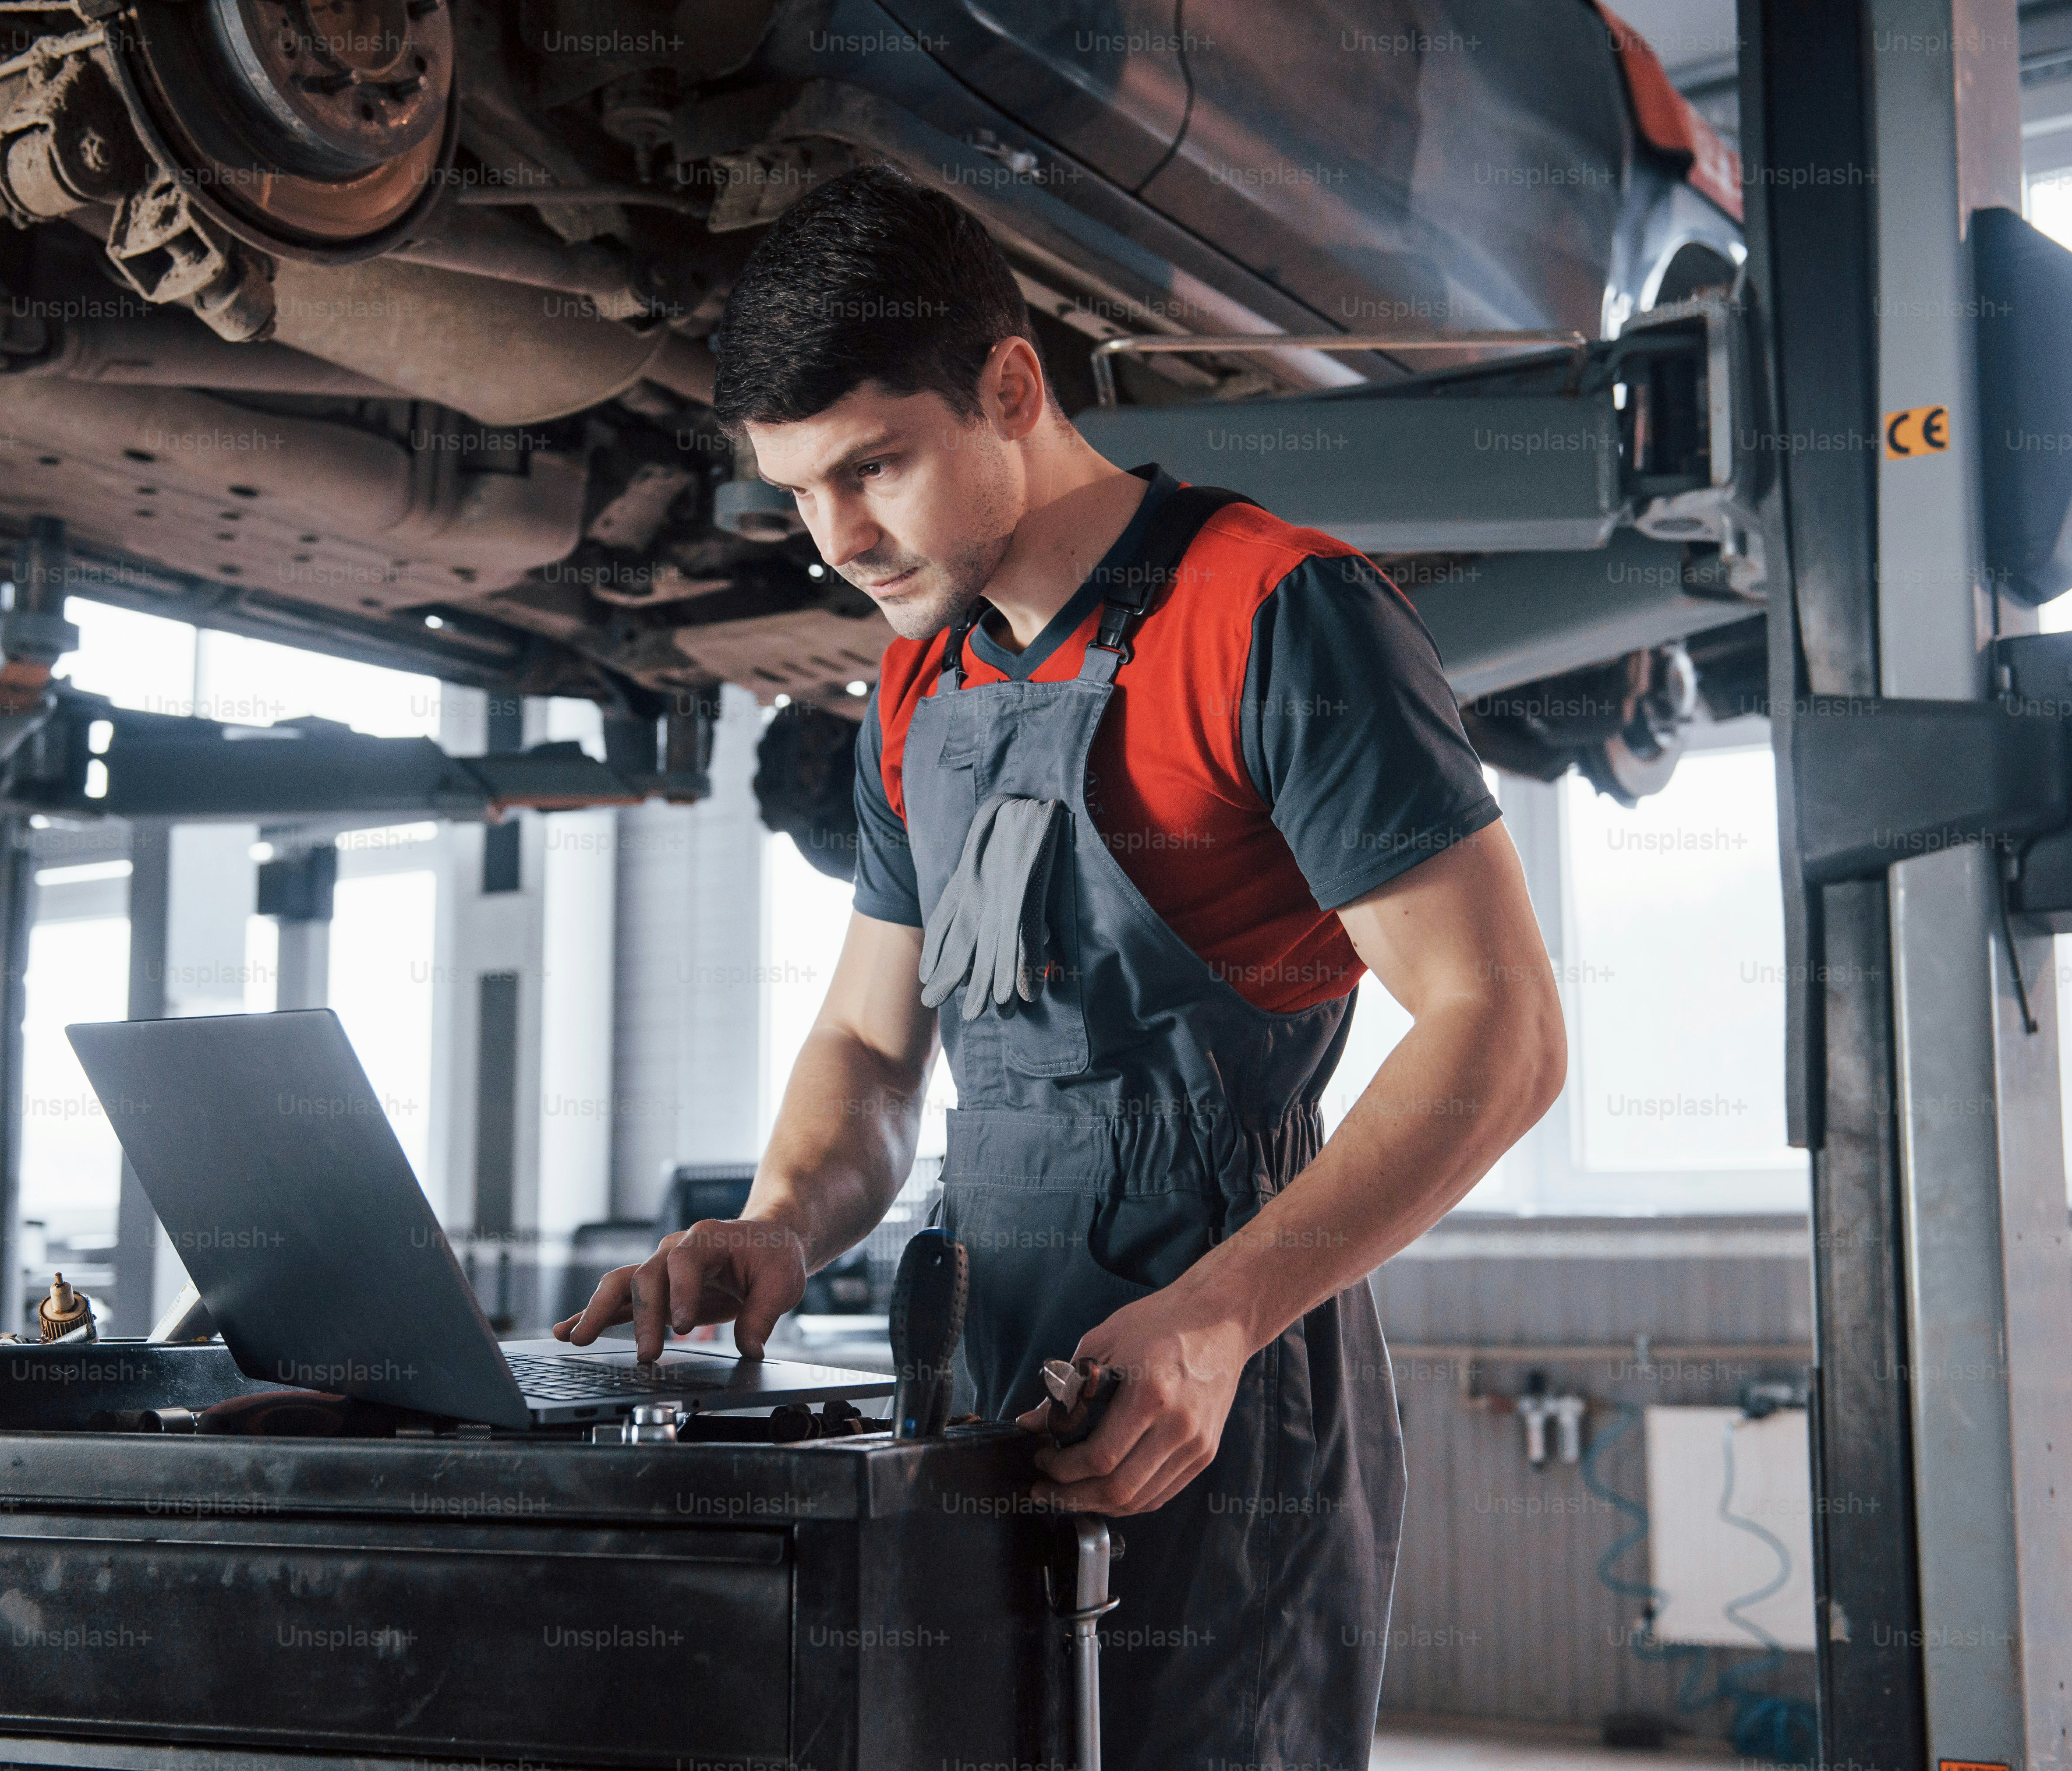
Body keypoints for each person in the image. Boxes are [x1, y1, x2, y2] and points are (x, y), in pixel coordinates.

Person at [554, 166, 1565, 1771]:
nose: (837, 541)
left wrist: (1219, 1320)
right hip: (985, 1356)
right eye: (801, 492)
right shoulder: (914, 684)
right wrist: (776, 1221)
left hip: (1225, 1367)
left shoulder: (1272, 613)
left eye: (873, 468)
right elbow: (873, 1051)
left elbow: (1498, 1032)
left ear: (1010, 387)